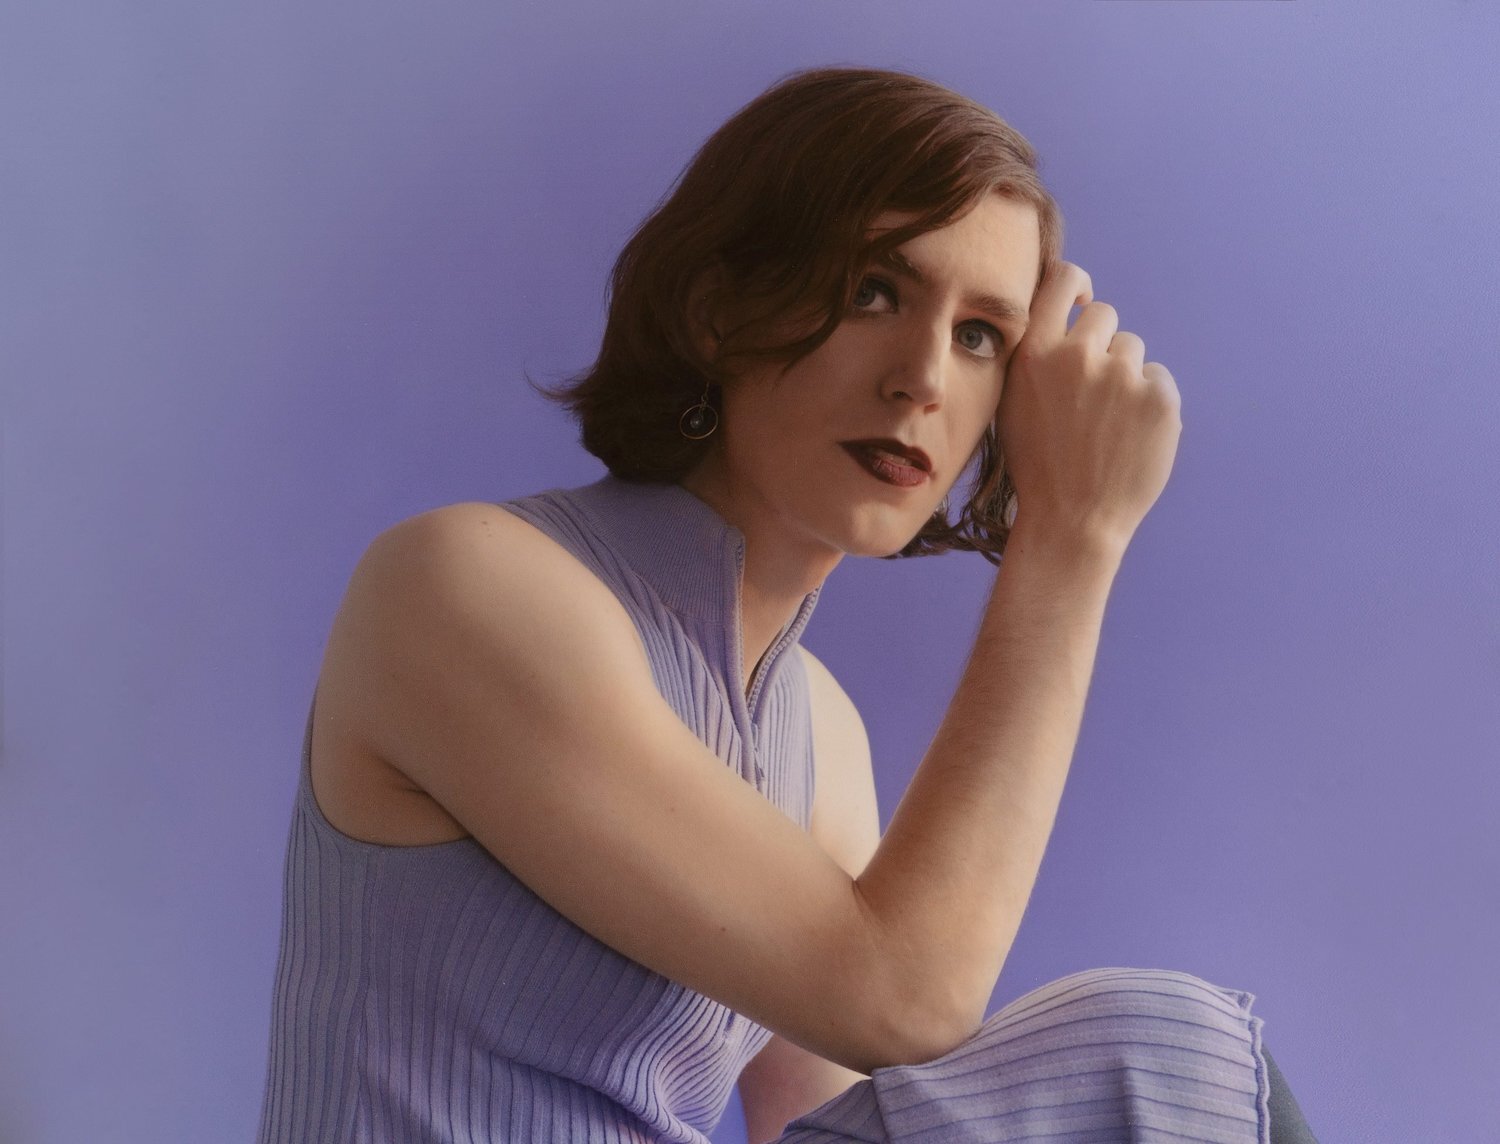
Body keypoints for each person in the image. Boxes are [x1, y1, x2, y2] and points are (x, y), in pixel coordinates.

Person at [256, 66, 1318, 1143]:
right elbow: (903, 997)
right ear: (718, 312)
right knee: (1164, 1041)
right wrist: (1073, 537)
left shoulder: (820, 735)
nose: (923, 378)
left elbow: (849, 1112)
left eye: (980, 336)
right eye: (873, 292)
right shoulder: (466, 583)